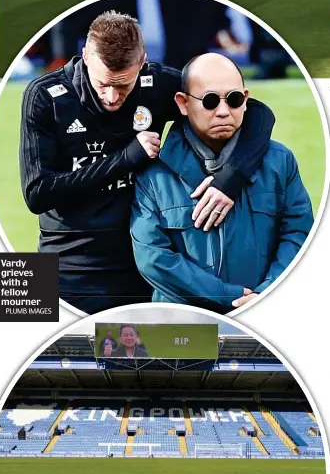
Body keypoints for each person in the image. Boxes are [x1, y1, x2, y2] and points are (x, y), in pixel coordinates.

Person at [19, 12, 274, 313]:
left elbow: (257, 113)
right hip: (69, 265)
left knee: (159, 357)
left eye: (123, 86)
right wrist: (126, 158)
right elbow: (37, 194)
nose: (112, 97)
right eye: (103, 84)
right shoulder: (45, 96)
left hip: (143, 263)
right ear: (86, 56)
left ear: (142, 64)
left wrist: (228, 181)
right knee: (32, 337)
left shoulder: (157, 83)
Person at [130, 54, 313, 312]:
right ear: (182, 103)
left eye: (235, 100)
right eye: (210, 101)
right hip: (183, 325)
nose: (224, 111)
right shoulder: (154, 173)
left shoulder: (280, 162)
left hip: (266, 313)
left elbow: (299, 235)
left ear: (246, 100)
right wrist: (230, 297)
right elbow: (152, 258)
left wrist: (267, 293)